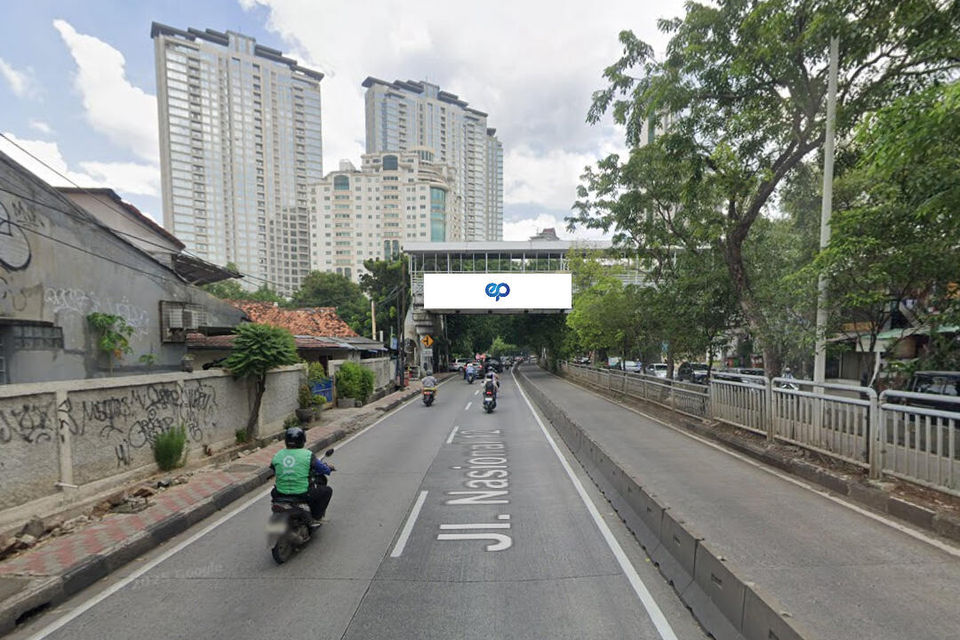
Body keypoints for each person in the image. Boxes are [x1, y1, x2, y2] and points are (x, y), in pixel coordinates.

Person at [270, 427, 333, 524]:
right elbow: (323, 469)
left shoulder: (277, 455)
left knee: (274, 491)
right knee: (327, 491)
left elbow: (274, 469)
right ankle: (317, 517)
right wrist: (329, 468)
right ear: (302, 440)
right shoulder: (307, 455)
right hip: (302, 494)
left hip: (280, 494)